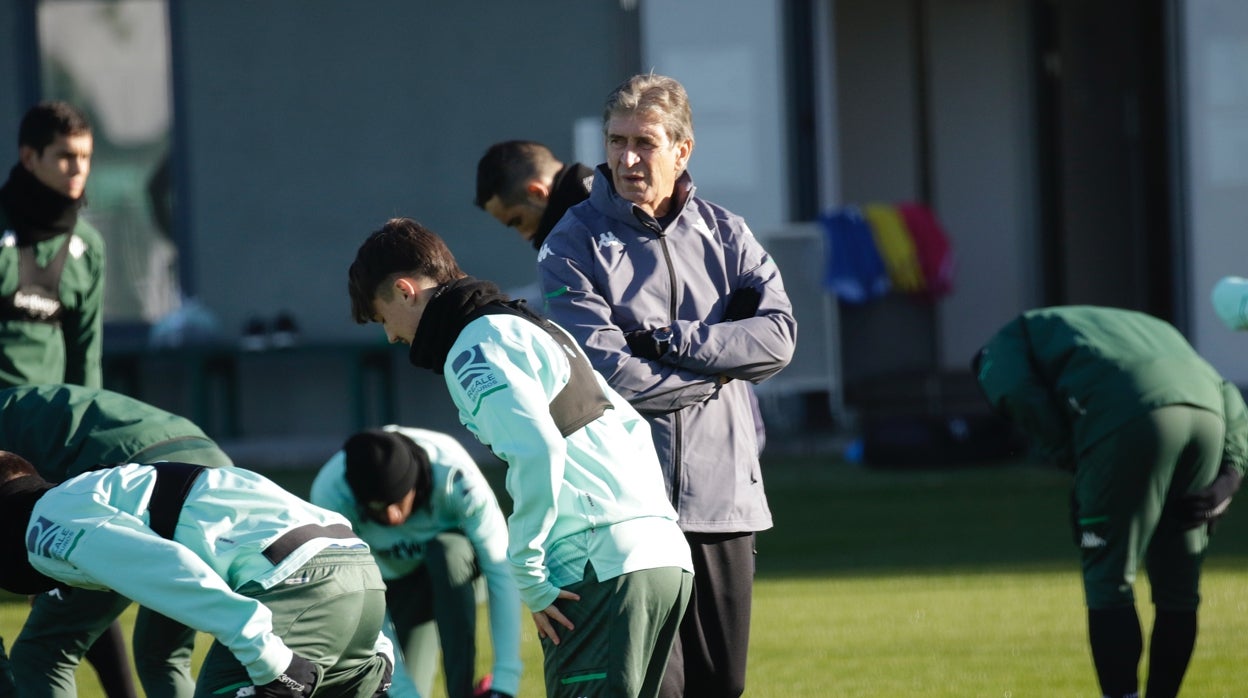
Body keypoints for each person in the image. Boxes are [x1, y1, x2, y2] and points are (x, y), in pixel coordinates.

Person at [347, 218, 693, 698]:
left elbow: (537, 449)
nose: (389, 336)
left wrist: (528, 569)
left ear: (405, 291)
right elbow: (631, 424)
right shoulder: (533, 326)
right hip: (662, 555)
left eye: (382, 318)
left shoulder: (473, 347)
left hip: (595, 564)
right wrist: (652, 525)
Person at [535, 73, 797, 698]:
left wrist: (677, 341)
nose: (627, 159)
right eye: (616, 141)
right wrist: (720, 370)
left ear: (682, 150)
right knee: (657, 688)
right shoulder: (570, 241)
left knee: (722, 686)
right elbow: (606, 374)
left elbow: (779, 337)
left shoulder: (727, 232)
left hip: (724, 498)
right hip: (627, 510)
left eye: (644, 143)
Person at [972, 305, 1247, 698]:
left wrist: (1073, 456)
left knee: (1110, 580)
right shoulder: (1146, 327)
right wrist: (1231, 474)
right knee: (1179, 588)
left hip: (1129, 416)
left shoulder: (1003, 344)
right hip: (1209, 417)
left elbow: (1014, 391)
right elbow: (1226, 390)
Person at [0, 451, 394, 698]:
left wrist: (263, 653)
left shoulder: (51, 517)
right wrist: (375, 645)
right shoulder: (105, 487)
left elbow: (162, 565)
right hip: (358, 579)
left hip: (294, 587)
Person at [0, 384, 236, 698]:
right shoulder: (24, 401)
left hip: (132, 480)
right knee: (163, 656)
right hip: (208, 468)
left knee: (42, 653)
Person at [310, 425, 522, 698]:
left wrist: (505, 682)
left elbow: (500, 568)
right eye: (378, 508)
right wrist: (403, 690)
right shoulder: (331, 495)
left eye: (399, 501)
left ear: (415, 484)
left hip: (459, 578)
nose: (393, 517)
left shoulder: (454, 475)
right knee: (394, 688)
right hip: (393, 588)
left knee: (449, 552)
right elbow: (357, 598)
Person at [0, 101, 105, 389]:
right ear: (29, 157)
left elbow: (85, 355)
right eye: (65, 156)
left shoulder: (88, 247)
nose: (78, 169)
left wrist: (82, 413)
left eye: (85, 157)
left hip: (48, 412)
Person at [473, 140, 593, 250]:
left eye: (517, 221)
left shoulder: (598, 218)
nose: (526, 236)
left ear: (538, 193)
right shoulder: (597, 195)